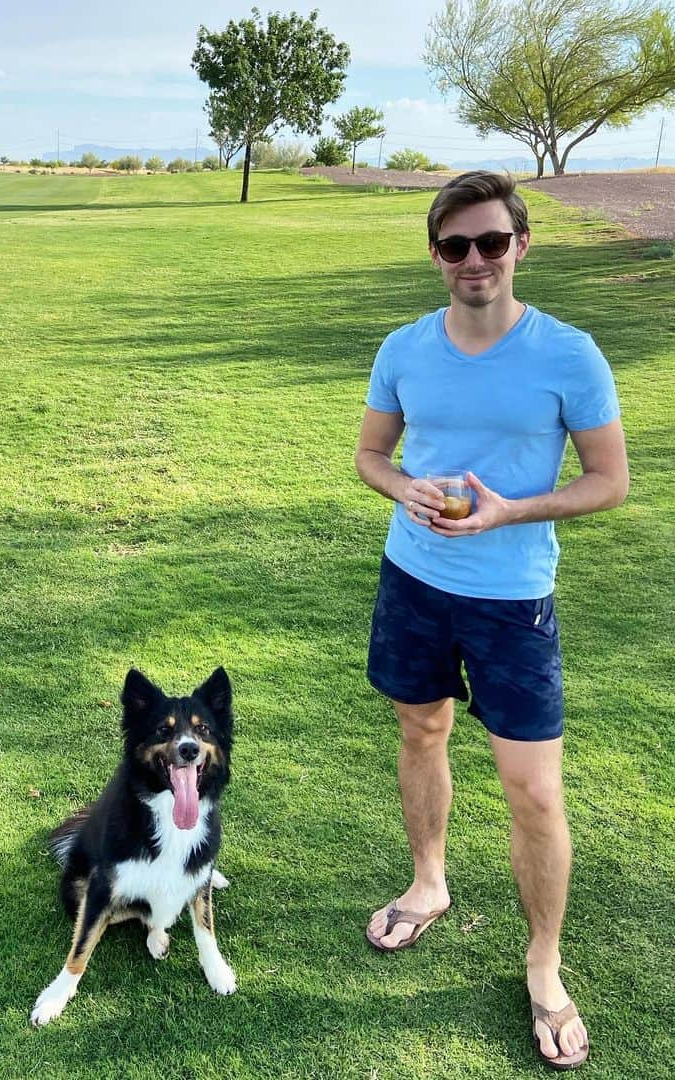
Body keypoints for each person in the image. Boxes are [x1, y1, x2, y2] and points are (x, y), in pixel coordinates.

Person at [355, 171, 627, 1070]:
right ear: (436, 255)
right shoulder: (404, 347)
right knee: (421, 733)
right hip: (415, 581)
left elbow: (608, 481)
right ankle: (429, 884)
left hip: (513, 602)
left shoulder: (569, 354)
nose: (474, 260)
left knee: (534, 791)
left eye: (491, 242)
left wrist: (509, 510)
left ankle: (543, 964)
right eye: (455, 245)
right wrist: (405, 488)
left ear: (521, 245)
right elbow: (371, 454)